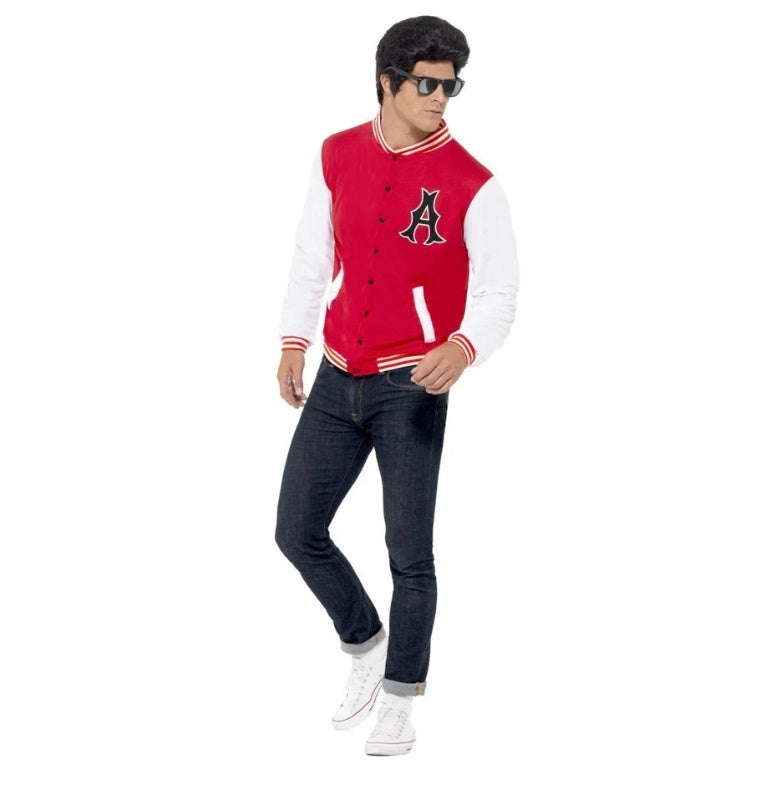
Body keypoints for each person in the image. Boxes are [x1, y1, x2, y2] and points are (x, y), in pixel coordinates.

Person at [274, 15, 519, 756]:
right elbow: (312, 255)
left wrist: (464, 347)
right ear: (387, 81)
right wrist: (293, 341)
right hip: (335, 374)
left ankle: (401, 698)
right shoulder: (336, 153)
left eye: (451, 85)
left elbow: (499, 293)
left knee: (410, 555)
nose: (441, 97)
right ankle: (366, 643)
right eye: (426, 83)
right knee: (296, 530)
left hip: (411, 385)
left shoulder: (474, 183)